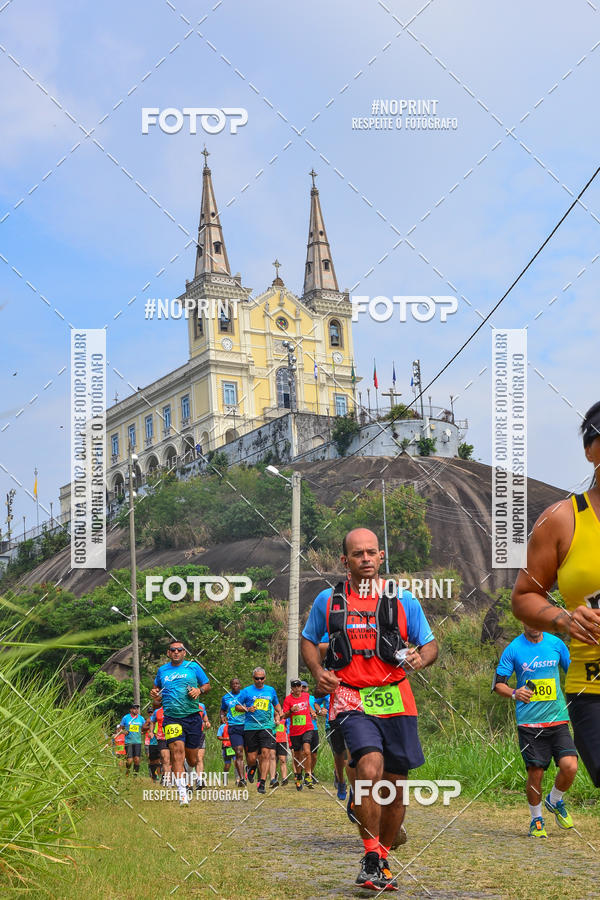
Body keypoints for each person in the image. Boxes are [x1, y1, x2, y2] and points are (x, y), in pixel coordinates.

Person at [301, 528, 437, 892]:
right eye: (357, 553)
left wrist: (419, 659)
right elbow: (309, 640)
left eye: (371, 552)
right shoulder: (328, 601)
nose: (365, 558)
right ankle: (370, 857)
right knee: (368, 767)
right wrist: (318, 671)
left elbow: (430, 645)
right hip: (350, 697)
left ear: (380, 558)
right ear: (345, 561)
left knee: (395, 788)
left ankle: (382, 857)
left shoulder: (403, 600)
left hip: (395, 698)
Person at [512, 401, 600, 789]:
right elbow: (525, 596)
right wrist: (564, 619)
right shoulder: (563, 518)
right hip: (593, 686)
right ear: (589, 451)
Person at [493, 626, 578, 836]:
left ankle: (555, 799)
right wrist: (514, 693)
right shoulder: (513, 649)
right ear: (522, 621)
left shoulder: (556, 644)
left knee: (570, 766)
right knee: (536, 772)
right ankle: (536, 819)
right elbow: (498, 684)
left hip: (557, 719)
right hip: (529, 723)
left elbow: (574, 672)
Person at [150, 639, 210, 806]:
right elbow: (156, 699)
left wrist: (200, 690)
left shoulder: (193, 667)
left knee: (191, 759)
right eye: (173, 650)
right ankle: (183, 794)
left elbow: (207, 685)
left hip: (192, 717)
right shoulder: (162, 671)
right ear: (168, 653)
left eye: (179, 650)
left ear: (184, 653)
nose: (176, 652)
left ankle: (188, 773)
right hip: (171, 718)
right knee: (177, 753)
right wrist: (155, 696)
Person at [236, 667, 282, 794]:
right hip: (251, 727)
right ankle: (252, 766)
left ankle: (262, 782)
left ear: (265, 678)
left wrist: (280, 711)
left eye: (262, 678)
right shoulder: (246, 691)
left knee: (266, 753)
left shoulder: (270, 690)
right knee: (251, 757)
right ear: (253, 678)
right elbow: (237, 706)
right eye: (257, 678)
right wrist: (247, 709)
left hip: (266, 726)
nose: (259, 681)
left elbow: (276, 703)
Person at [282, 679, 315, 790]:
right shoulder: (288, 699)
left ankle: (308, 775)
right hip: (295, 731)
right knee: (297, 755)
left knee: (306, 751)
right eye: (294, 686)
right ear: (291, 688)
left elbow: (308, 706)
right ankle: (298, 776)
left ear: (301, 687)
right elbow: (284, 716)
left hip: (307, 727)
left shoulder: (306, 696)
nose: (296, 688)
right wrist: (291, 710)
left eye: (298, 686)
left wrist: (312, 712)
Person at [221, 677, 246, 786]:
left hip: (247, 726)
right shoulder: (226, 697)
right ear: (230, 686)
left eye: (237, 683)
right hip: (234, 726)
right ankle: (241, 779)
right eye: (233, 684)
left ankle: (249, 772)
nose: (235, 685)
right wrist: (222, 716)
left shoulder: (245, 695)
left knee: (250, 755)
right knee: (238, 752)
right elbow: (222, 709)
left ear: (240, 685)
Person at [117, 704, 145, 776]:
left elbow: (145, 727)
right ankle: (127, 771)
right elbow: (119, 729)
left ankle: (135, 775)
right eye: (134, 708)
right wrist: (123, 732)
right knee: (129, 760)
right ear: (131, 710)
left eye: (137, 708)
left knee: (137, 759)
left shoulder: (141, 718)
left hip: (137, 742)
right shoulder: (126, 718)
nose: (136, 710)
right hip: (128, 742)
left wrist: (143, 732)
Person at [149, 705, 171, 784]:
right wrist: (151, 732)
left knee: (174, 760)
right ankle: (167, 780)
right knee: (165, 759)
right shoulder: (157, 711)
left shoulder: (175, 707)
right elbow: (152, 721)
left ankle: (175, 779)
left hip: (174, 737)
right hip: (162, 738)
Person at [195, 701, 211, 781]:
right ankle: (187, 780)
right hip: (187, 734)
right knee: (188, 759)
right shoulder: (183, 703)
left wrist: (207, 723)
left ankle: (199, 780)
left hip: (199, 734)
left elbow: (205, 720)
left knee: (199, 758)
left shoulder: (201, 706)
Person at [273, 719, 290, 785]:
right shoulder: (272, 714)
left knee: (283, 760)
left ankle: (284, 778)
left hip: (282, 740)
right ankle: (274, 777)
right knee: (274, 760)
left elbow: (288, 726)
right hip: (273, 739)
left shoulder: (285, 717)